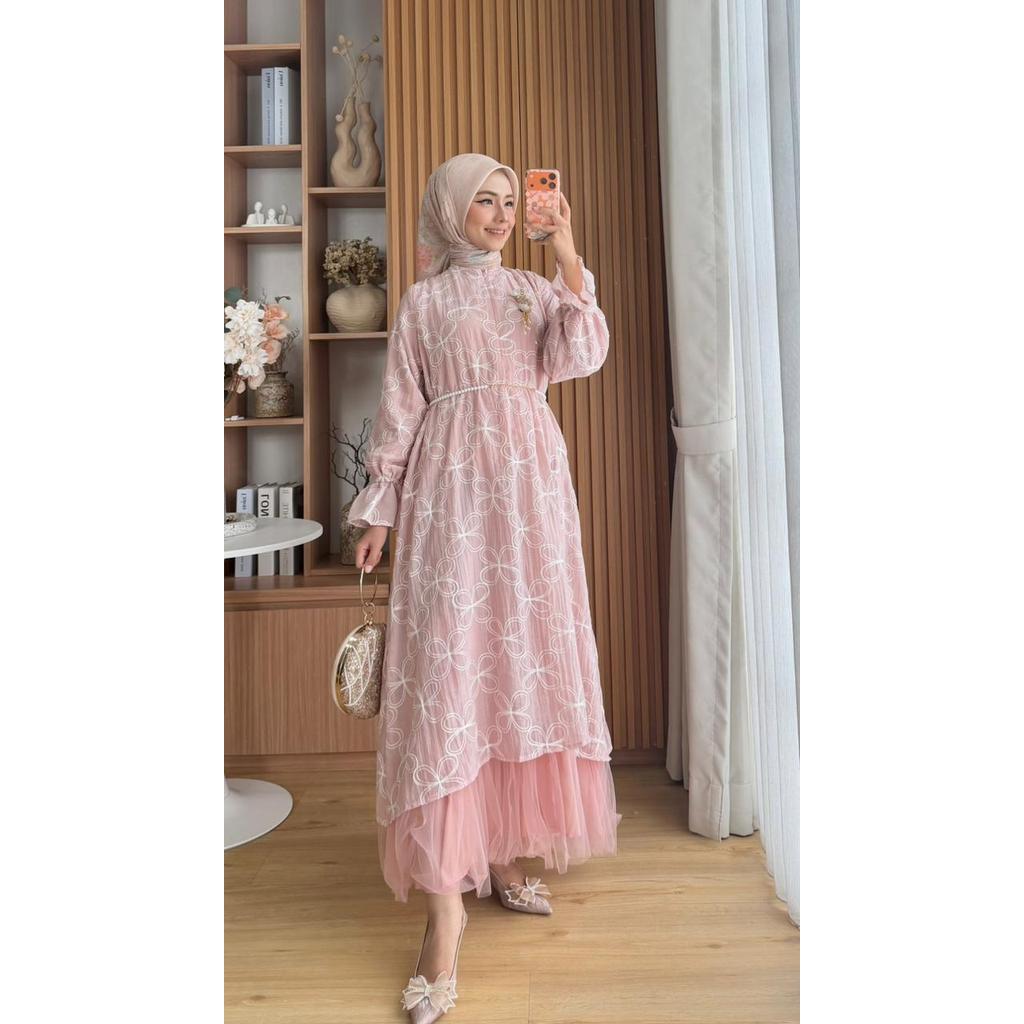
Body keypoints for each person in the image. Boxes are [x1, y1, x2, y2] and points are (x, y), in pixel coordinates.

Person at [347, 152, 621, 1022]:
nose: (502, 215)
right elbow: (400, 408)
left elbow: (584, 354)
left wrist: (567, 254)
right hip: (450, 499)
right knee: (450, 673)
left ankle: (501, 855)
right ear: (449, 210)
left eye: (511, 201)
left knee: (517, 669)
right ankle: (444, 914)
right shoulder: (422, 304)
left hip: (531, 498)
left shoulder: (534, 292)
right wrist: (380, 511)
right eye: (485, 202)